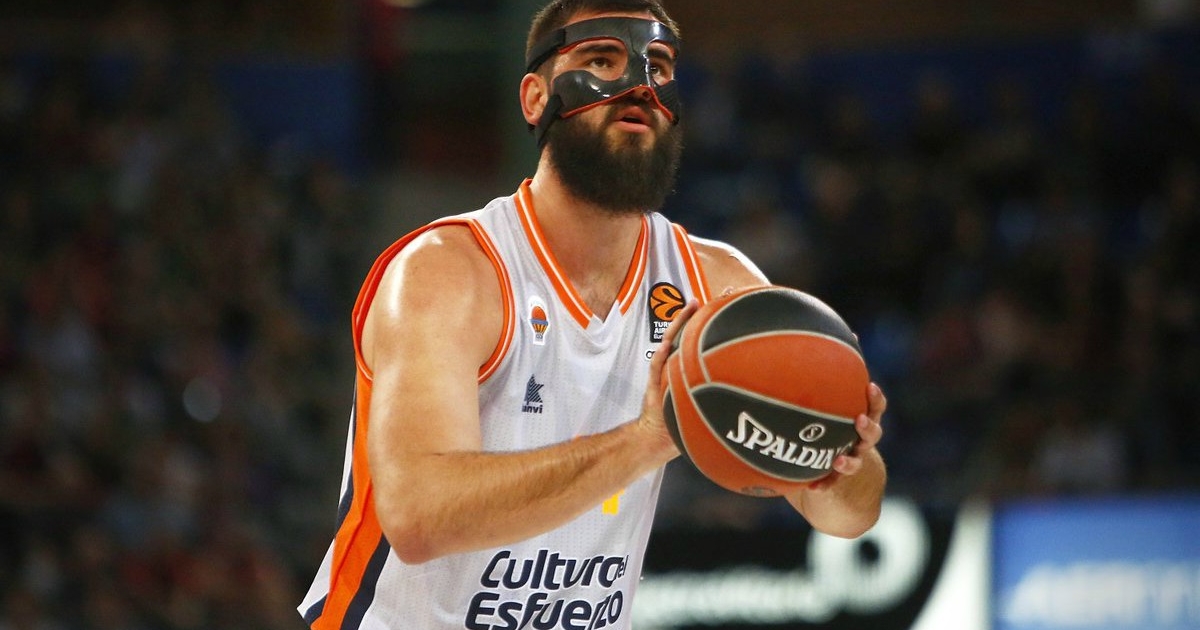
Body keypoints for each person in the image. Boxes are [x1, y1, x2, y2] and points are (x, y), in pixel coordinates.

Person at [298, 1, 887, 628]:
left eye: (658, 67)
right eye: (602, 60)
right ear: (535, 98)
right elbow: (419, 517)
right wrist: (647, 439)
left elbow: (848, 516)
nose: (638, 86)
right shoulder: (447, 272)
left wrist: (840, 456)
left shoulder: (715, 286)